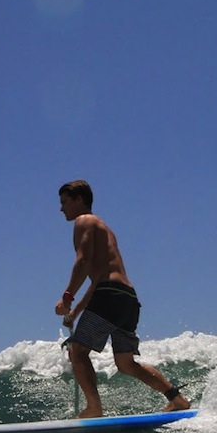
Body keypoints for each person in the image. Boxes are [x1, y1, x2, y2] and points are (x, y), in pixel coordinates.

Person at [54, 179, 191, 418]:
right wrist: (74, 312)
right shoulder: (105, 229)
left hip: (109, 296)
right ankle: (177, 399)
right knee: (126, 363)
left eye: (64, 202)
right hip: (126, 298)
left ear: (79, 200)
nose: (61, 208)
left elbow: (83, 262)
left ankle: (94, 408)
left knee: (77, 351)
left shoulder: (84, 221)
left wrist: (67, 296)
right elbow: (98, 281)